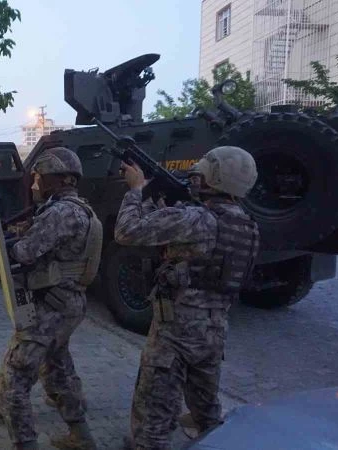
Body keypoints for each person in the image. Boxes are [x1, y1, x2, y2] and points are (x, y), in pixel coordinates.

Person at [114, 146, 260, 450]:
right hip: (213, 333)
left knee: (152, 424)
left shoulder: (196, 219)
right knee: (206, 415)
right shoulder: (246, 224)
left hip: (174, 336)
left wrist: (136, 191)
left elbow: (126, 232)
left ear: (214, 178)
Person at [0, 147, 103, 450]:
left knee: (13, 382)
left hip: (50, 308)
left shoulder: (61, 212)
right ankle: (82, 436)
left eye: (39, 177)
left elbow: (25, 252)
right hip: (67, 304)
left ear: (60, 179)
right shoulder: (78, 209)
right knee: (58, 371)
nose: (34, 183)